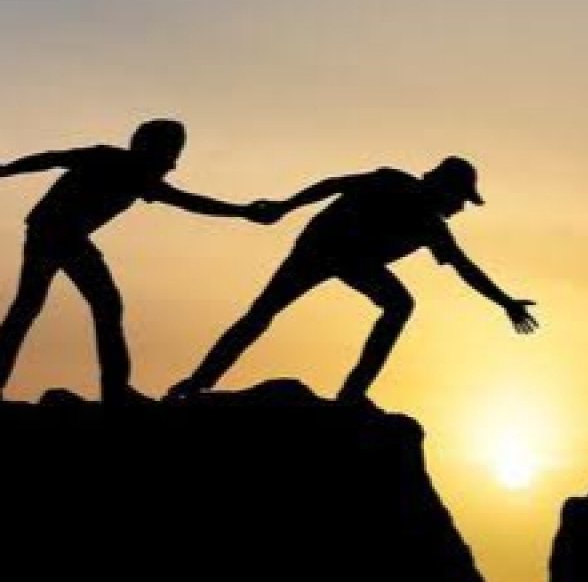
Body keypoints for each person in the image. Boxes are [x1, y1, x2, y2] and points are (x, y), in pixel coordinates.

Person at [166, 156, 537, 404]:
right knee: (262, 313)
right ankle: (199, 382)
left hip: (356, 261)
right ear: (442, 186)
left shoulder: (431, 228)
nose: (460, 208)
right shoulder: (391, 182)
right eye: (460, 198)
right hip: (319, 247)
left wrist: (505, 303)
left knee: (399, 305)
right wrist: (285, 205)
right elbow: (333, 185)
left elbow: (465, 268)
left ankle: (351, 395)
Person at [0, 119, 255, 404]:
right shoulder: (114, 161)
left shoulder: (137, 174)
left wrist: (241, 211)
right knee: (99, 305)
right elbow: (49, 159)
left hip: (55, 233)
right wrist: (4, 170)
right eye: (172, 153)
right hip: (58, 233)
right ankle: (116, 391)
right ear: (153, 149)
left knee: (33, 307)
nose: (172, 164)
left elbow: (188, 201)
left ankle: (116, 389)